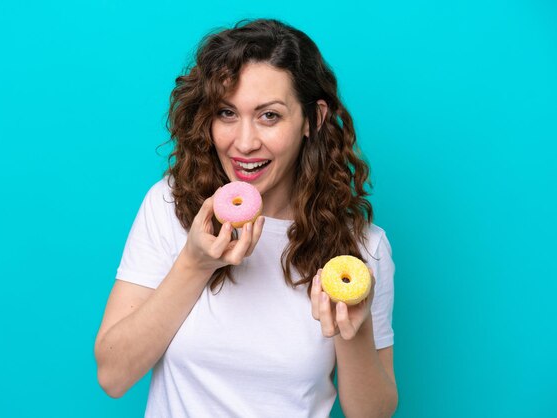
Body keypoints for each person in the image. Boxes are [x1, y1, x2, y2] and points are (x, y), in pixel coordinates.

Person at [94, 18, 398, 417]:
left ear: (313, 119)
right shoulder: (170, 206)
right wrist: (194, 263)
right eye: (227, 113)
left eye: (269, 116)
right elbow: (113, 376)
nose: (244, 143)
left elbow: (371, 414)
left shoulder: (362, 247)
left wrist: (354, 333)